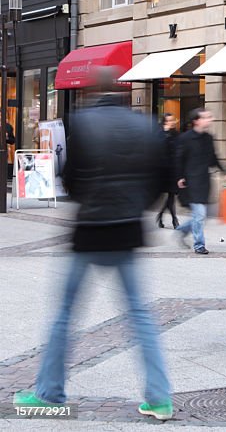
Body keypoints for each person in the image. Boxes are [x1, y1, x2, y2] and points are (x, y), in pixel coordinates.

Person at [13, 67, 173, 421]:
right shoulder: (143, 126)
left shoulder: (83, 123)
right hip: (128, 228)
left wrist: (91, 200)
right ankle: (160, 397)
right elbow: (159, 179)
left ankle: (50, 391)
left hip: (90, 230)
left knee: (65, 315)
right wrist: (134, 206)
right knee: (141, 316)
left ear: (90, 91)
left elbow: (70, 178)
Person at [175, 108, 226, 255]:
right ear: (196, 121)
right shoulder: (185, 138)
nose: (210, 120)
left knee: (200, 216)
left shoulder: (208, 138)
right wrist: (179, 177)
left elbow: (213, 157)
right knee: (200, 215)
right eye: (206, 117)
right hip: (190, 182)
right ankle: (199, 245)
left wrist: (224, 172)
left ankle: (182, 230)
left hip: (204, 182)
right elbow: (178, 160)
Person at [155, 113, 180, 229]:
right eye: (169, 120)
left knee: (171, 196)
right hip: (164, 170)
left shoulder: (175, 134)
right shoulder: (160, 133)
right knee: (170, 197)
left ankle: (161, 216)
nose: (172, 122)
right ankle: (175, 221)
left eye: (172, 120)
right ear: (165, 121)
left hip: (174, 169)